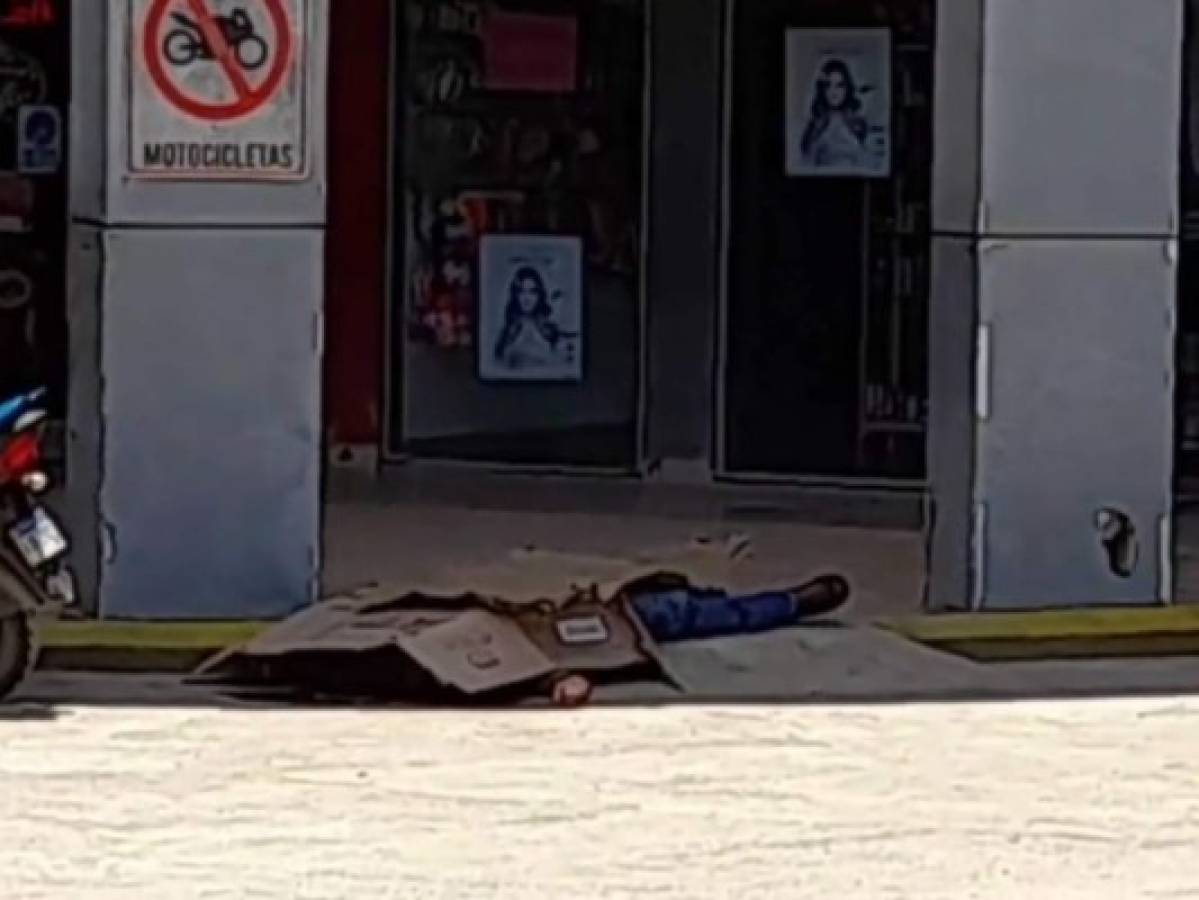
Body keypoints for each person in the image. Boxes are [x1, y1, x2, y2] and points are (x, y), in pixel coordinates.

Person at [546, 574, 852, 707]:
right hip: (569, 641)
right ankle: (788, 603)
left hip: (571, 615)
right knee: (673, 612)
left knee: (670, 608)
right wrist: (559, 677)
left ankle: (788, 602)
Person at [492, 265, 574, 371]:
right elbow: (498, 363)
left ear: (539, 295)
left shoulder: (548, 330)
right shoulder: (509, 332)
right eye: (521, 291)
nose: (527, 298)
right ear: (515, 294)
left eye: (532, 291)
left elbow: (564, 362)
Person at [799, 58, 871, 170]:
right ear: (822, 89)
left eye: (839, 85)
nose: (834, 91)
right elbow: (807, 162)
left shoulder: (858, 124)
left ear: (847, 88)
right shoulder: (816, 126)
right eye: (828, 85)